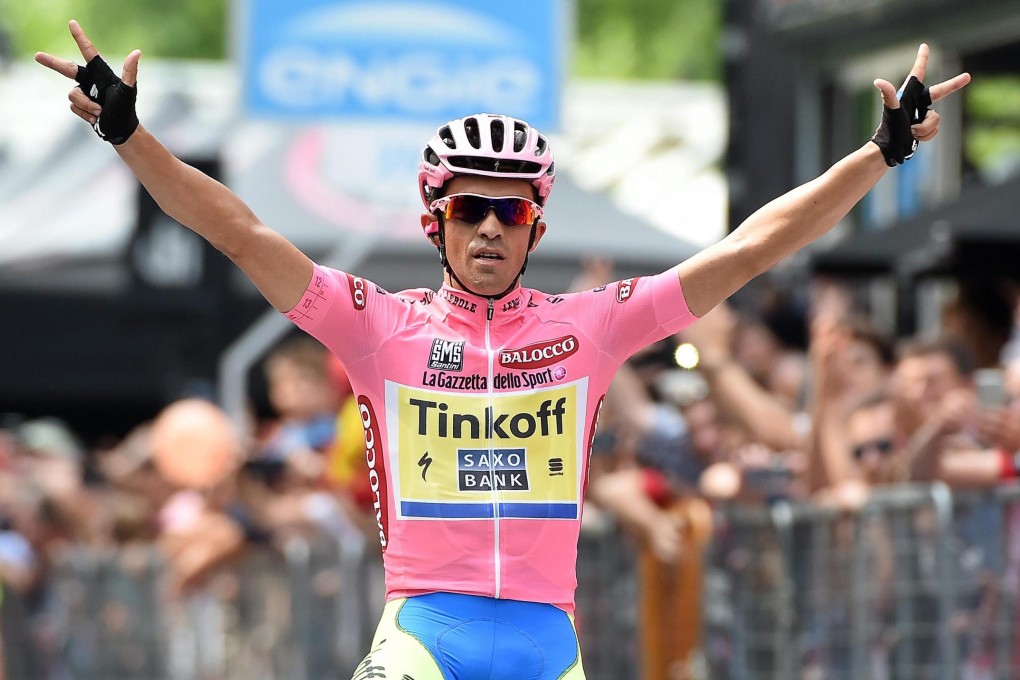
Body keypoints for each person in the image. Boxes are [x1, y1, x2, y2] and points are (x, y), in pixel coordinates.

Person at [36, 20, 971, 679]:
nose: (490, 228)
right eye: (470, 209)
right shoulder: (378, 324)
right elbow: (241, 233)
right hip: (424, 636)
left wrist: (879, 154)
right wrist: (129, 135)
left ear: (535, 225)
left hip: (546, 643)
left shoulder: (589, 328)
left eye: (511, 210)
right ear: (434, 222)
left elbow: (750, 248)